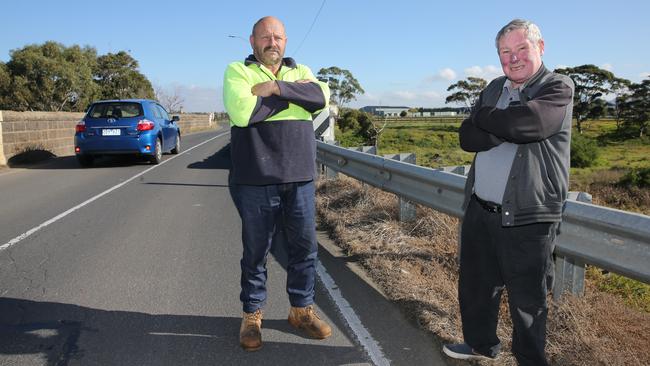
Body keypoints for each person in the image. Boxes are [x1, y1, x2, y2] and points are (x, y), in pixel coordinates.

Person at [443, 19, 574, 365]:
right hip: (480, 208)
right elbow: (465, 138)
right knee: (476, 288)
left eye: (521, 49)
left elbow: (528, 124)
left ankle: (530, 361)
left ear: (540, 48)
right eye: (505, 52)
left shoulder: (557, 86)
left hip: (529, 214)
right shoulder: (493, 88)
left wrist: (491, 120)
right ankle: (479, 345)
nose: (513, 58)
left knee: (527, 301)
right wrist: (505, 123)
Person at [222, 16, 332, 351]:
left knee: (304, 249)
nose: (273, 42)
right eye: (265, 37)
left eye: (278, 37)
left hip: (299, 177)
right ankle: (252, 316)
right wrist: (295, 101)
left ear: (286, 41)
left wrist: (274, 89)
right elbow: (243, 112)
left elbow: (320, 98)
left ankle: (301, 310)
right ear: (252, 42)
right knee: (256, 252)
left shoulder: (301, 70)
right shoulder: (237, 71)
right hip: (254, 178)